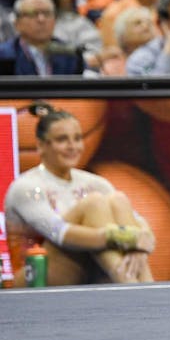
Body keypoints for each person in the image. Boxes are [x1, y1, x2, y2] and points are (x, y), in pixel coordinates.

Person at [3, 101, 155, 286]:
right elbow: (60, 234)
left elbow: (140, 223)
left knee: (119, 200)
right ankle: (127, 282)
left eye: (77, 139)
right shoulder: (26, 187)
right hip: (34, 275)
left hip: (87, 267)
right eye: (62, 140)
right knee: (94, 203)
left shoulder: (94, 182)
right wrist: (124, 237)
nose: (72, 146)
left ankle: (146, 286)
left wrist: (139, 246)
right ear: (41, 145)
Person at [0, 0, 87, 75]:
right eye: (33, 13)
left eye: (47, 13)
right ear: (17, 23)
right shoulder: (4, 56)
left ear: (55, 20)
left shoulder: (71, 55)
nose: (41, 19)